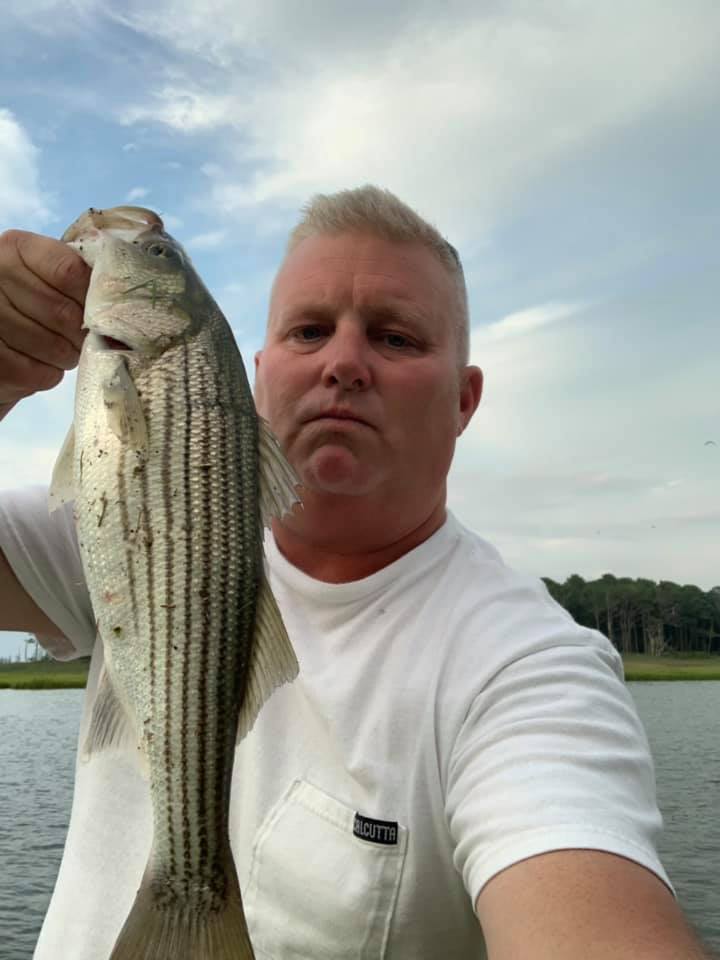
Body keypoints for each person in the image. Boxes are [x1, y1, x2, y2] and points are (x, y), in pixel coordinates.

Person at [0, 186, 711, 959]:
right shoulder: (122, 528)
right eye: (309, 331)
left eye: (396, 338)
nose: (343, 363)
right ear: (259, 376)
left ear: (465, 400)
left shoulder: (531, 669)